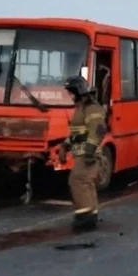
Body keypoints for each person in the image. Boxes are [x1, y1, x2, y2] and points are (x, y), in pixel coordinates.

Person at [60, 75, 107, 230]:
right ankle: (90, 214)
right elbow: (77, 133)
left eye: (71, 92)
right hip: (81, 152)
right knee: (86, 182)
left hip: (88, 153)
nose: (70, 96)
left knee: (77, 181)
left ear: (79, 91)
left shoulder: (92, 108)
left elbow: (96, 130)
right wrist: (64, 146)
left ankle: (84, 216)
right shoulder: (81, 108)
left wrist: (90, 151)